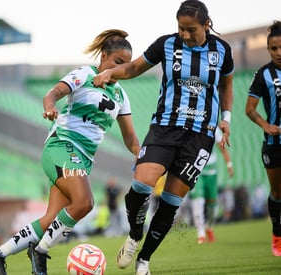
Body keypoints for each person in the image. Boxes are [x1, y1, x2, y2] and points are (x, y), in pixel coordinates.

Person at [0, 29, 140, 275]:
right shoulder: (85, 74)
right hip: (62, 146)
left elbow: (130, 138)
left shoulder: (121, 95)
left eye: (126, 66)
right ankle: (39, 252)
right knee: (84, 203)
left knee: (51, 219)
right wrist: (49, 107)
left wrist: (144, 156)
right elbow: (52, 94)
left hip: (82, 159)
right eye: (117, 62)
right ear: (104, 56)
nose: (120, 69)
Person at [93, 1, 234, 274]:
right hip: (164, 128)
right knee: (142, 184)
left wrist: (226, 119)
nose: (184, 34)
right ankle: (135, 234)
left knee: (171, 201)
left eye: (190, 29)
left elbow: (227, 85)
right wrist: (110, 72)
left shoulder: (222, 50)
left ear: (206, 25)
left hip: (200, 137)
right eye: (180, 28)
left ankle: (144, 260)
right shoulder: (166, 45)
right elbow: (134, 68)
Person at [245, 20, 281, 257]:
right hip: (274, 145)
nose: (278, 52)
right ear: (268, 50)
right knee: (277, 192)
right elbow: (250, 109)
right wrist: (265, 125)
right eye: (273, 48)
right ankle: (277, 235)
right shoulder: (263, 74)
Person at [189, 127, 234, 244]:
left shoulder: (214, 129)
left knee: (212, 203)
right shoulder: (191, 125)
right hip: (196, 170)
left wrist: (229, 165)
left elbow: (222, 148)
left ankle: (209, 227)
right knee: (197, 200)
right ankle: (200, 232)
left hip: (211, 172)